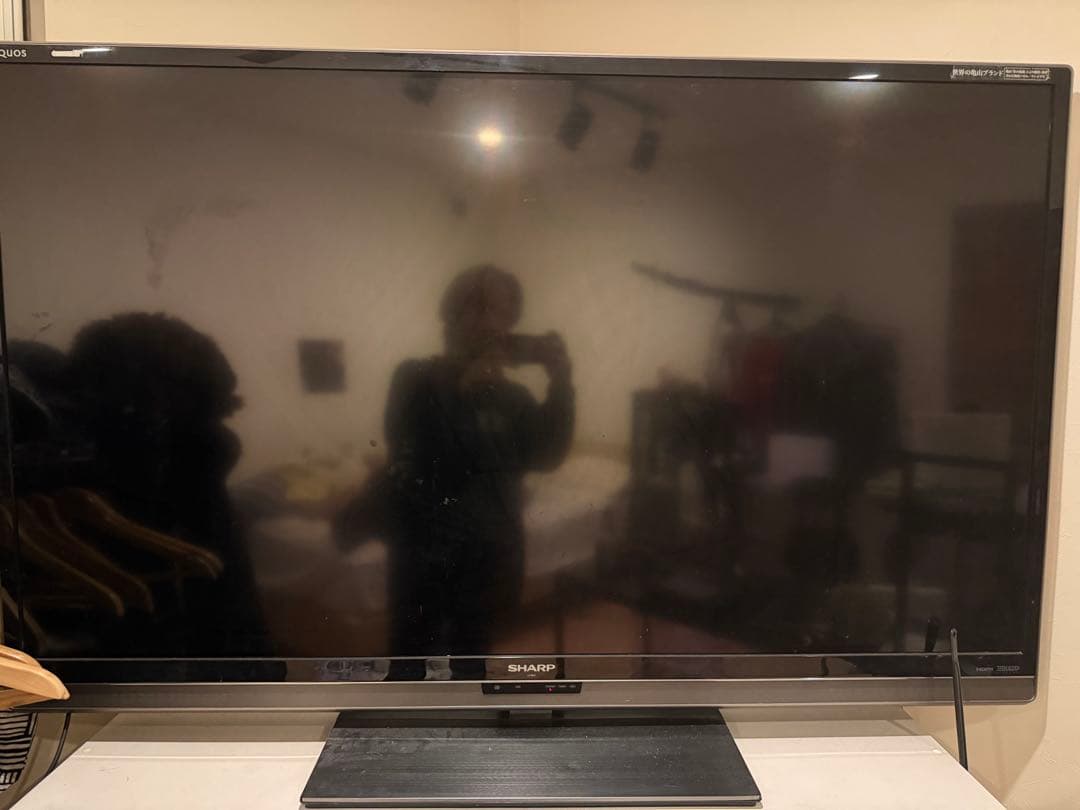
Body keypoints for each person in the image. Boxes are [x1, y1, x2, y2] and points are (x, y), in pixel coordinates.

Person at [381, 264, 574, 679]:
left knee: (471, 668)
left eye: (503, 313)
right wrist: (462, 389)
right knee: (410, 672)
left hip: (487, 561)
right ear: (453, 313)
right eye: (481, 308)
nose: (491, 323)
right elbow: (412, 451)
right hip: (425, 563)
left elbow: (548, 455)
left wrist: (561, 384)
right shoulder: (414, 377)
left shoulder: (513, 396)